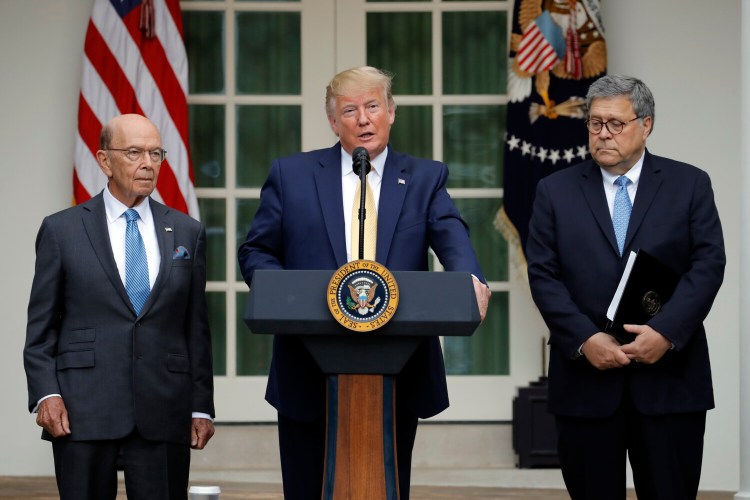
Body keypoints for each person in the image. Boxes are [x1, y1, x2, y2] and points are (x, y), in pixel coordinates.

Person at [238, 66, 491, 499]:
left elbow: (452, 236)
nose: (363, 119)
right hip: (307, 365)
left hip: (398, 366)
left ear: (391, 112)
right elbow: (256, 251)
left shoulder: (425, 179)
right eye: (349, 110)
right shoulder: (291, 175)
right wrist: (289, 298)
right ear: (333, 122)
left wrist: (470, 279)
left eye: (373, 106)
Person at [526, 74, 725, 500]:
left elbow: (708, 264)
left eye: (615, 124)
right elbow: (543, 274)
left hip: (670, 381)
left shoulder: (689, 184)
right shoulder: (553, 191)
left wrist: (666, 333)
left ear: (646, 124)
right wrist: (584, 338)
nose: (602, 134)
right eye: (595, 124)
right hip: (586, 384)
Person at [24, 114, 215, 500]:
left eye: (155, 153)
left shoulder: (186, 232)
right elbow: (41, 329)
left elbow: (196, 329)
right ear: (104, 160)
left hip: (164, 408)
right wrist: (46, 394)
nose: (148, 162)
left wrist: (202, 406)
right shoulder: (62, 230)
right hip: (82, 409)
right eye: (134, 152)